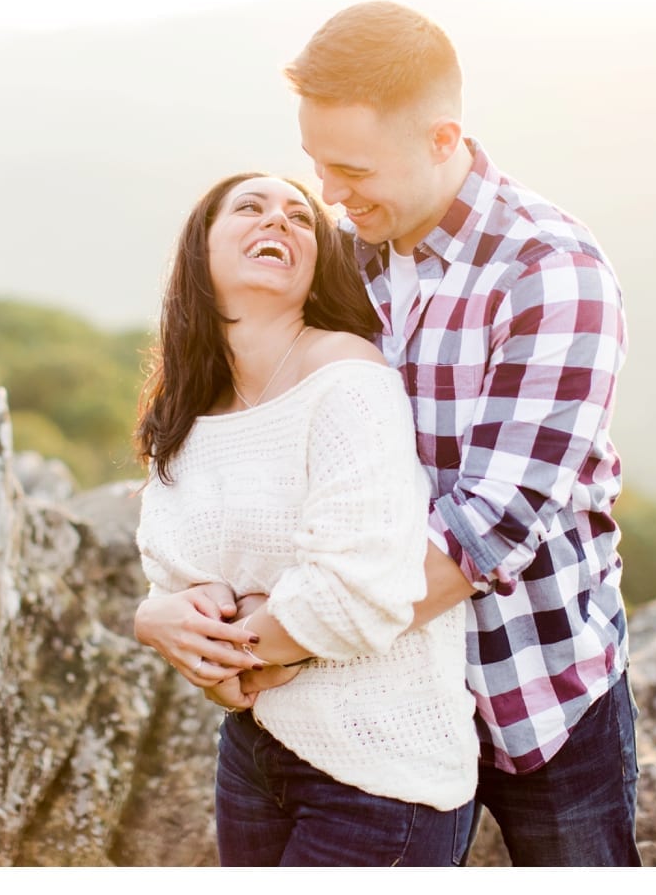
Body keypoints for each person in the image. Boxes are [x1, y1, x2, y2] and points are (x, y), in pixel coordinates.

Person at [139, 2, 640, 867]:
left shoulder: (551, 272)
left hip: (529, 678)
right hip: (360, 705)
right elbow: (249, 448)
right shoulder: (337, 254)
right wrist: (164, 611)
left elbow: (492, 522)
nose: (326, 195)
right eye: (316, 164)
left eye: (349, 167)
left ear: (443, 140)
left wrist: (258, 646)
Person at [132, 172, 478, 867]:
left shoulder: (347, 378)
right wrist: (155, 619)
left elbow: (361, 587)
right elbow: (174, 576)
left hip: (379, 773)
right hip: (253, 755)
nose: (279, 222)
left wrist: (237, 651)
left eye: (299, 217)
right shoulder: (187, 413)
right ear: (200, 249)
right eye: (251, 208)